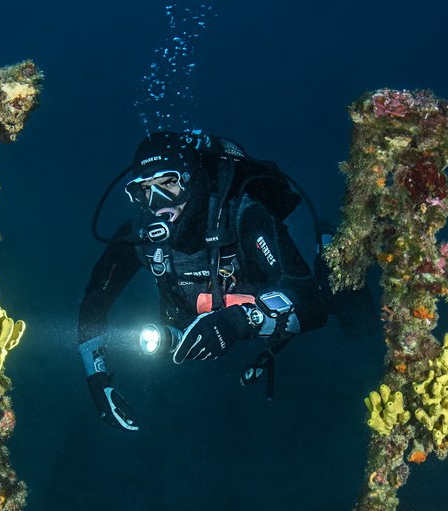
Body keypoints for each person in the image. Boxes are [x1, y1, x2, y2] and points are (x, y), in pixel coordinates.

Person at [77, 130, 329, 431]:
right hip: (193, 337)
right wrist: (97, 379)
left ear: (193, 179)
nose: (159, 203)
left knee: (341, 299)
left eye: (170, 183)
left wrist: (238, 322)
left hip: (260, 319)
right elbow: (95, 299)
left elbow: (310, 301)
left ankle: (331, 248)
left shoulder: (244, 216)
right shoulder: (140, 236)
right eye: (146, 190)